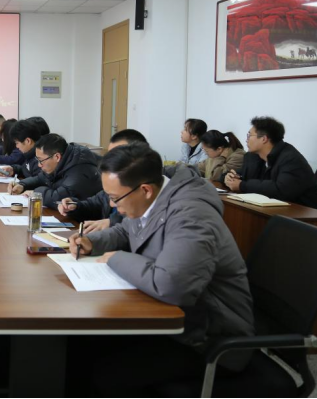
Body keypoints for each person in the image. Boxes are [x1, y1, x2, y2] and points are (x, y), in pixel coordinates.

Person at [69, 143, 254, 395]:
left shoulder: (192, 215)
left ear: (145, 190)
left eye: (115, 198)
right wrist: (93, 242)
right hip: (177, 323)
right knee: (79, 345)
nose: (112, 205)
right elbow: (126, 230)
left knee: (101, 373)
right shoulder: (154, 199)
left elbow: (172, 285)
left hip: (209, 340)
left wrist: (116, 258)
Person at [58, 129, 148, 232]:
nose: (110, 160)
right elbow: (95, 204)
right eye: (110, 155)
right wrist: (75, 207)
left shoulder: (145, 188)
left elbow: (138, 223)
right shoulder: (113, 180)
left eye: (117, 155)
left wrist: (111, 222)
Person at [225, 116, 317, 209]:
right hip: (275, 209)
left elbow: (280, 190)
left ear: (264, 139)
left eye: (249, 135)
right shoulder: (254, 157)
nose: (246, 140)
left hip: (306, 214)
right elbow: (242, 175)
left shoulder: (291, 159)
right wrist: (228, 177)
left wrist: (242, 185)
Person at [9, 134, 102, 208]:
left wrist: (35, 193)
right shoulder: (65, 159)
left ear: (57, 157)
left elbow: (58, 198)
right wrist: (22, 185)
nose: (39, 165)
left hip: (87, 221)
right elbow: (41, 178)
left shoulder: (79, 170)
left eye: (41, 160)